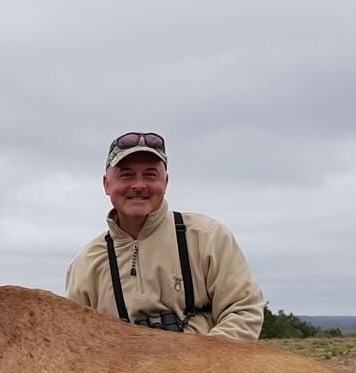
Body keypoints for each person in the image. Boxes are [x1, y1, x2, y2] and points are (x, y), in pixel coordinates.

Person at [65, 132, 264, 341]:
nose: (139, 185)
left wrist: (194, 364)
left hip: (207, 370)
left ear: (166, 182)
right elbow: (76, 340)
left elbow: (244, 310)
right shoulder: (85, 265)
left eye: (150, 175)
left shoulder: (209, 238)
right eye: (127, 175)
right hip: (121, 372)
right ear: (106, 184)